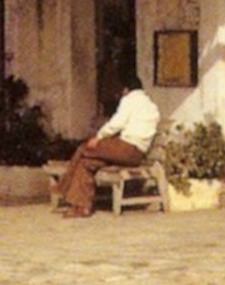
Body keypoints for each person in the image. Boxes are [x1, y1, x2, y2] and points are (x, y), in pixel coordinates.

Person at [53, 75, 160, 217]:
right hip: (137, 154)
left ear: (126, 89)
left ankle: (62, 186)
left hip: (127, 148)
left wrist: (99, 137)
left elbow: (116, 124)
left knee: (84, 148)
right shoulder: (152, 106)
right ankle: (82, 206)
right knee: (86, 163)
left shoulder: (130, 100)